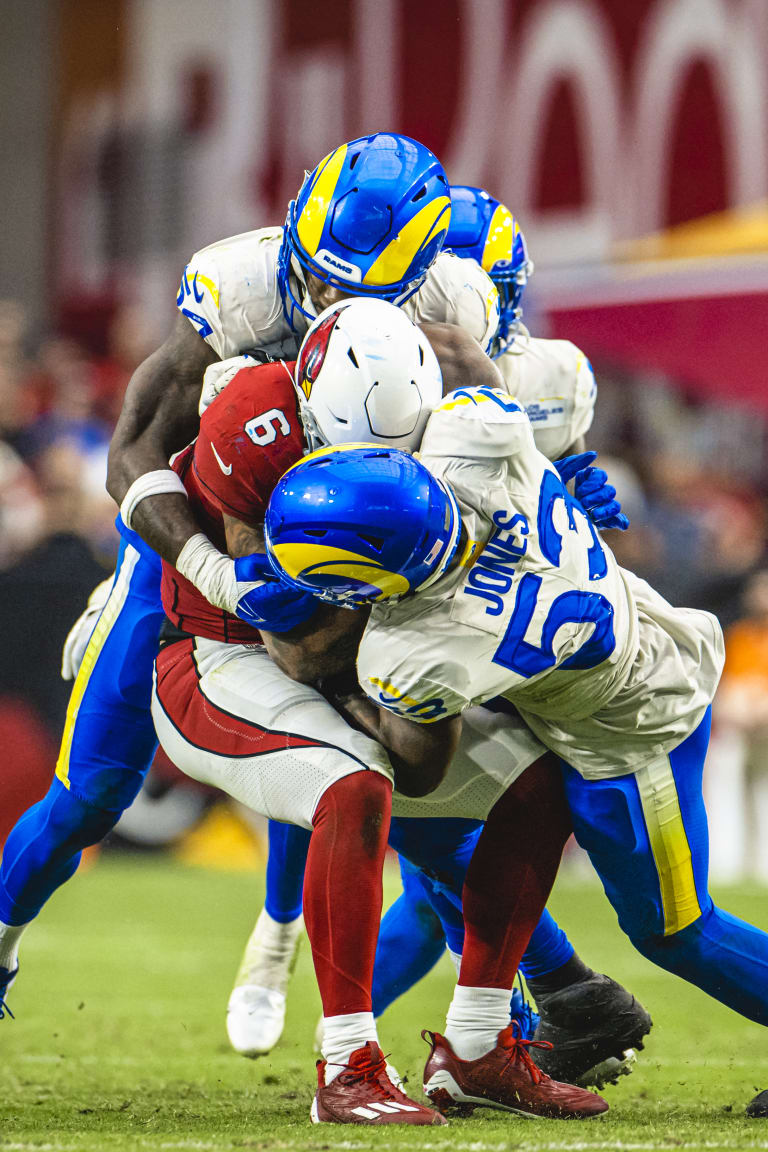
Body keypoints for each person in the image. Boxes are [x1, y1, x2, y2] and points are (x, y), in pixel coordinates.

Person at [0, 133, 497, 1015]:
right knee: (92, 791)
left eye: (359, 290)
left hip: (370, 544)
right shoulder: (244, 284)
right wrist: (210, 572)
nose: (329, 301)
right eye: (319, 278)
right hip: (201, 535)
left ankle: (500, 1008)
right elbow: (133, 452)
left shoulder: (460, 305)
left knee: (409, 775)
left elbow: (488, 456)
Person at [149, 299, 608, 1122]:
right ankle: (348, 1066)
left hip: (374, 644)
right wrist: (397, 628)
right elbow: (299, 650)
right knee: (352, 784)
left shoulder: (464, 382)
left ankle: (476, 1049)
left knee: (540, 781)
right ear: (308, 401)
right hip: (225, 657)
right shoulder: (253, 421)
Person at [264, 376, 768, 1119]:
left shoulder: (417, 650)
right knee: (438, 859)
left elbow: (421, 760)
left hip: (629, 731)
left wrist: (318, 679)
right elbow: (476, 374)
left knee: (674, 929)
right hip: (636, 639)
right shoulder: (480, 434)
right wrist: (560, 457)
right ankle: (484, 1032)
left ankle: (514, 1021)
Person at [230, 187, 640, 1090]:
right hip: (324, 589)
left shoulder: (528, 376)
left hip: (462, 614)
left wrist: (565, 483)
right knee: (366, 778)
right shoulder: (290, 331)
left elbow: (534, 509)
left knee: (453, 806)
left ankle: (505, 1019)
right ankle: (290, 937)